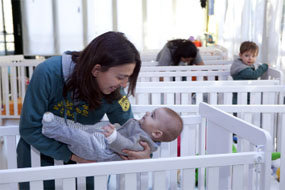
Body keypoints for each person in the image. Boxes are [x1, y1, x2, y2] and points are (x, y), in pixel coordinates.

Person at [16, 31, 150, 189]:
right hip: (40, 156)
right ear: (96, 70)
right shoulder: (48, 73)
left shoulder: (114, 91)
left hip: (86, 161)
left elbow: (129, 128)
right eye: (120, 77)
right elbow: (30, 128)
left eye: (128, 78)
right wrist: (71, 156)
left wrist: (143, 150)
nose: (124, 85)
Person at [41, 107, 183, 161]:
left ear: (156, 133)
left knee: (78, 136)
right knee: (83, 129)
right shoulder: (141, 128)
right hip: (102, 142)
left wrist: (114, 136)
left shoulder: (144, 142)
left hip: (102, 151)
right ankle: (58, 122)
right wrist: (114, 129)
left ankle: (51, 128)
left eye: (152, 115)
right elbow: (124, 129)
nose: (147, 113)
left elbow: (127, 146)